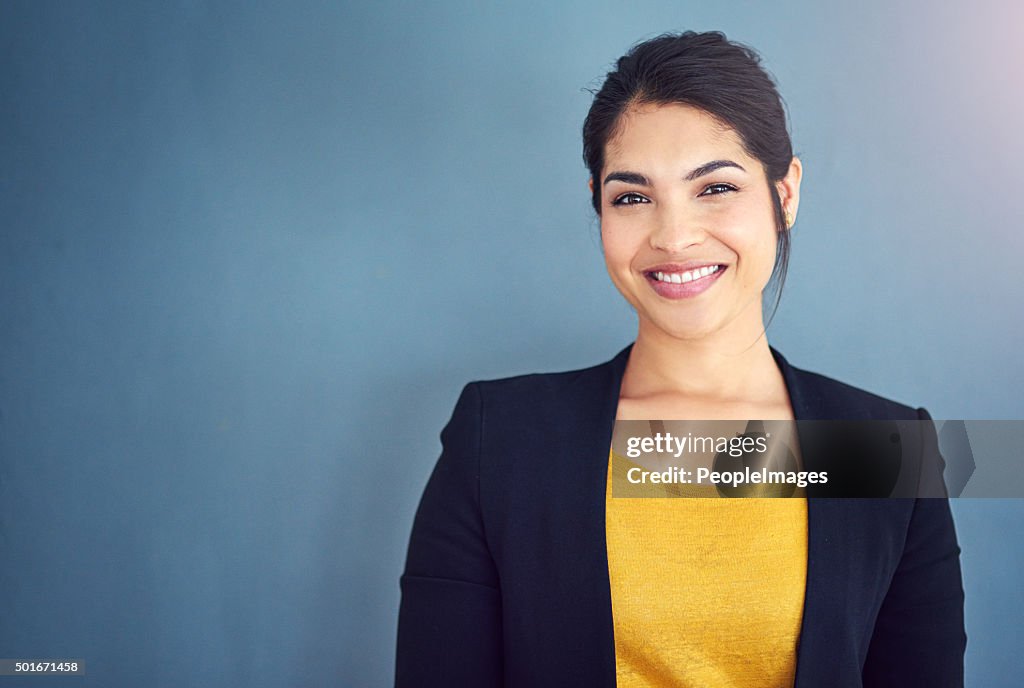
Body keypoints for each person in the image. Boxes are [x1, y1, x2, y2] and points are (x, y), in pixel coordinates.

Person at [396, 31, 965, 687]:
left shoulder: (885, 450)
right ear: (598, 206)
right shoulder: (499, 438)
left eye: (715, 188)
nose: (672, 236)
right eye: (632, 197)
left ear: (785, 196)